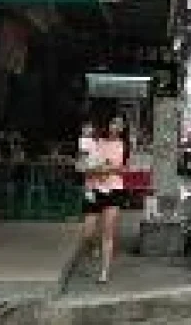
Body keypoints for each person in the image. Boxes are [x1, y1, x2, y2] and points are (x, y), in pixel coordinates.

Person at [78, 116, 128, 283]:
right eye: (113, 122)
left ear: (123, 128)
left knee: (108, 232)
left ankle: (104, 272)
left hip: (114, 189)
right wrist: (88, 166)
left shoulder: (124, 145)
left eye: (119, 124)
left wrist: (109, 167)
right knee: (88, 232)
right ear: (107, 125)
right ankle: (92, 246)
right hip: (93, 189)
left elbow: (124, 169)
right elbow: (81, 164)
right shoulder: (95, 142)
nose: (115, 126)